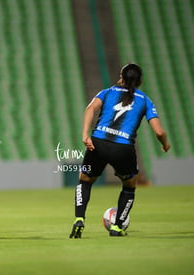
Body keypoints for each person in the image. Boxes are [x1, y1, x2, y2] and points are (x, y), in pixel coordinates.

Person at [69, 64, 170, 238]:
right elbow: (159, 132)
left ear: (121, 77)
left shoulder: (107, 92)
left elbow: (90, 109)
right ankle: (117, 227)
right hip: (123, 148)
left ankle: (79, 219)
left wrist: (86, 135)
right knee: (129, 187)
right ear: (140, 81)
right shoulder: (145, 100)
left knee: (84, 181)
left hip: (98, 143)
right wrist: (165, 144)